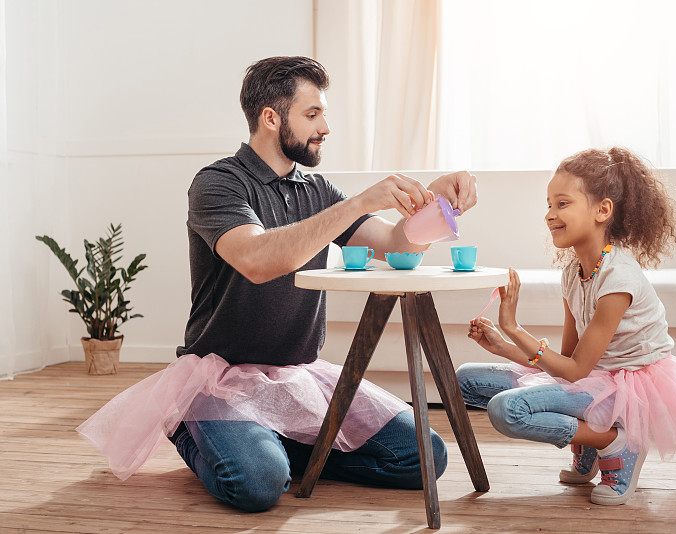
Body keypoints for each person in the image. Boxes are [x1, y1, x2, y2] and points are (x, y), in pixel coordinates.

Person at [77, 56, 478, 513]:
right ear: (271, 118)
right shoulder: (218, 183)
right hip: (220, 376)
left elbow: (392, 243)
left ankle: (284, 444)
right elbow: (259, 260)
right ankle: (195, 428)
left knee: (424, 456)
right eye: (312, 115)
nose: (324, 126)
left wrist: (439, 204)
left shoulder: (317, 190)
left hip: (297, 375)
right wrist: (361, 201)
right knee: (258, 485)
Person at [456, 147, 676, 506]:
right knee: (464, 380)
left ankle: (613, 443)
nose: (549, 215)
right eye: (548, 204)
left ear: (602, 210)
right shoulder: (573, 273)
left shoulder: (617, 279)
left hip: (625, 387)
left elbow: (576, 371)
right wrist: (503, 346)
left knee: (506, 410)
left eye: (562, 203)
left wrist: (514, 328)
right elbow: (566, 362)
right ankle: (591, 440)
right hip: (590, 379)